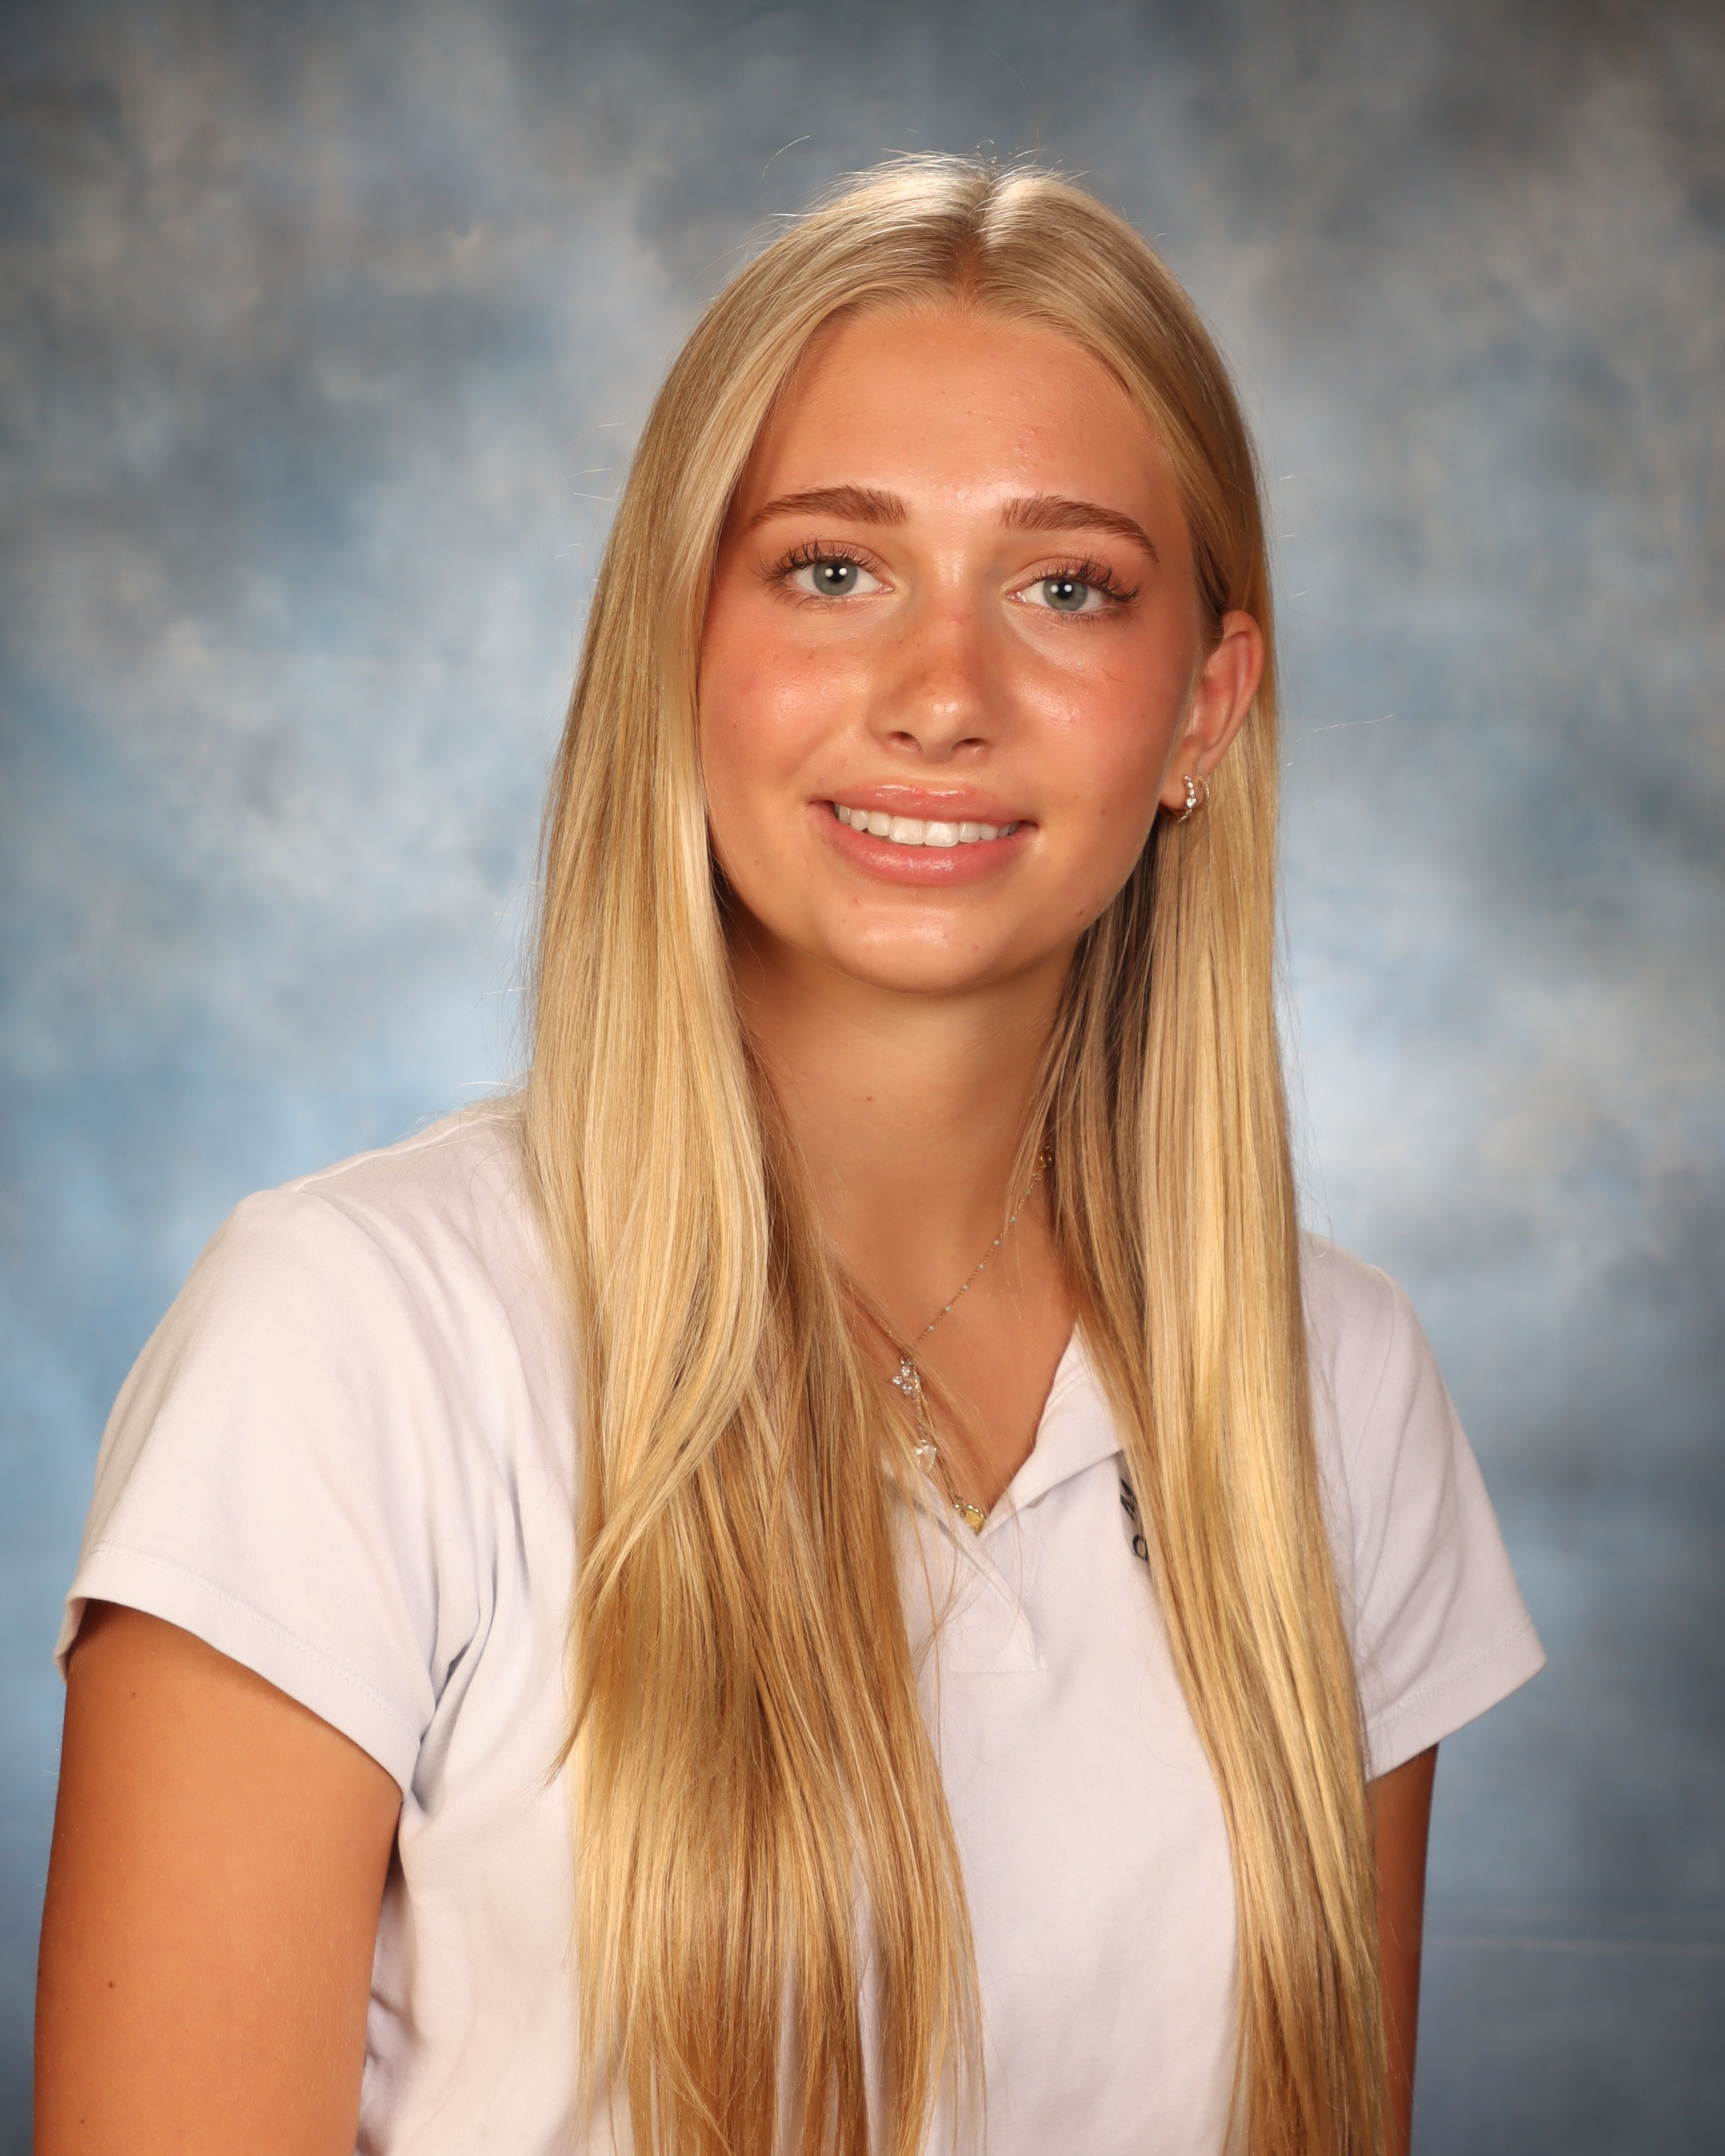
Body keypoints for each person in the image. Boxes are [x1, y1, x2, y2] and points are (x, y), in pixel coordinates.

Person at [34, 159, 1542, 2156]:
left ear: (1204, 711)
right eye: (834, 569)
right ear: (678, 646)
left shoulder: (1335, 1389)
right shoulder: (351, 1343)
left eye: (1066, 587)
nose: (942, 698)